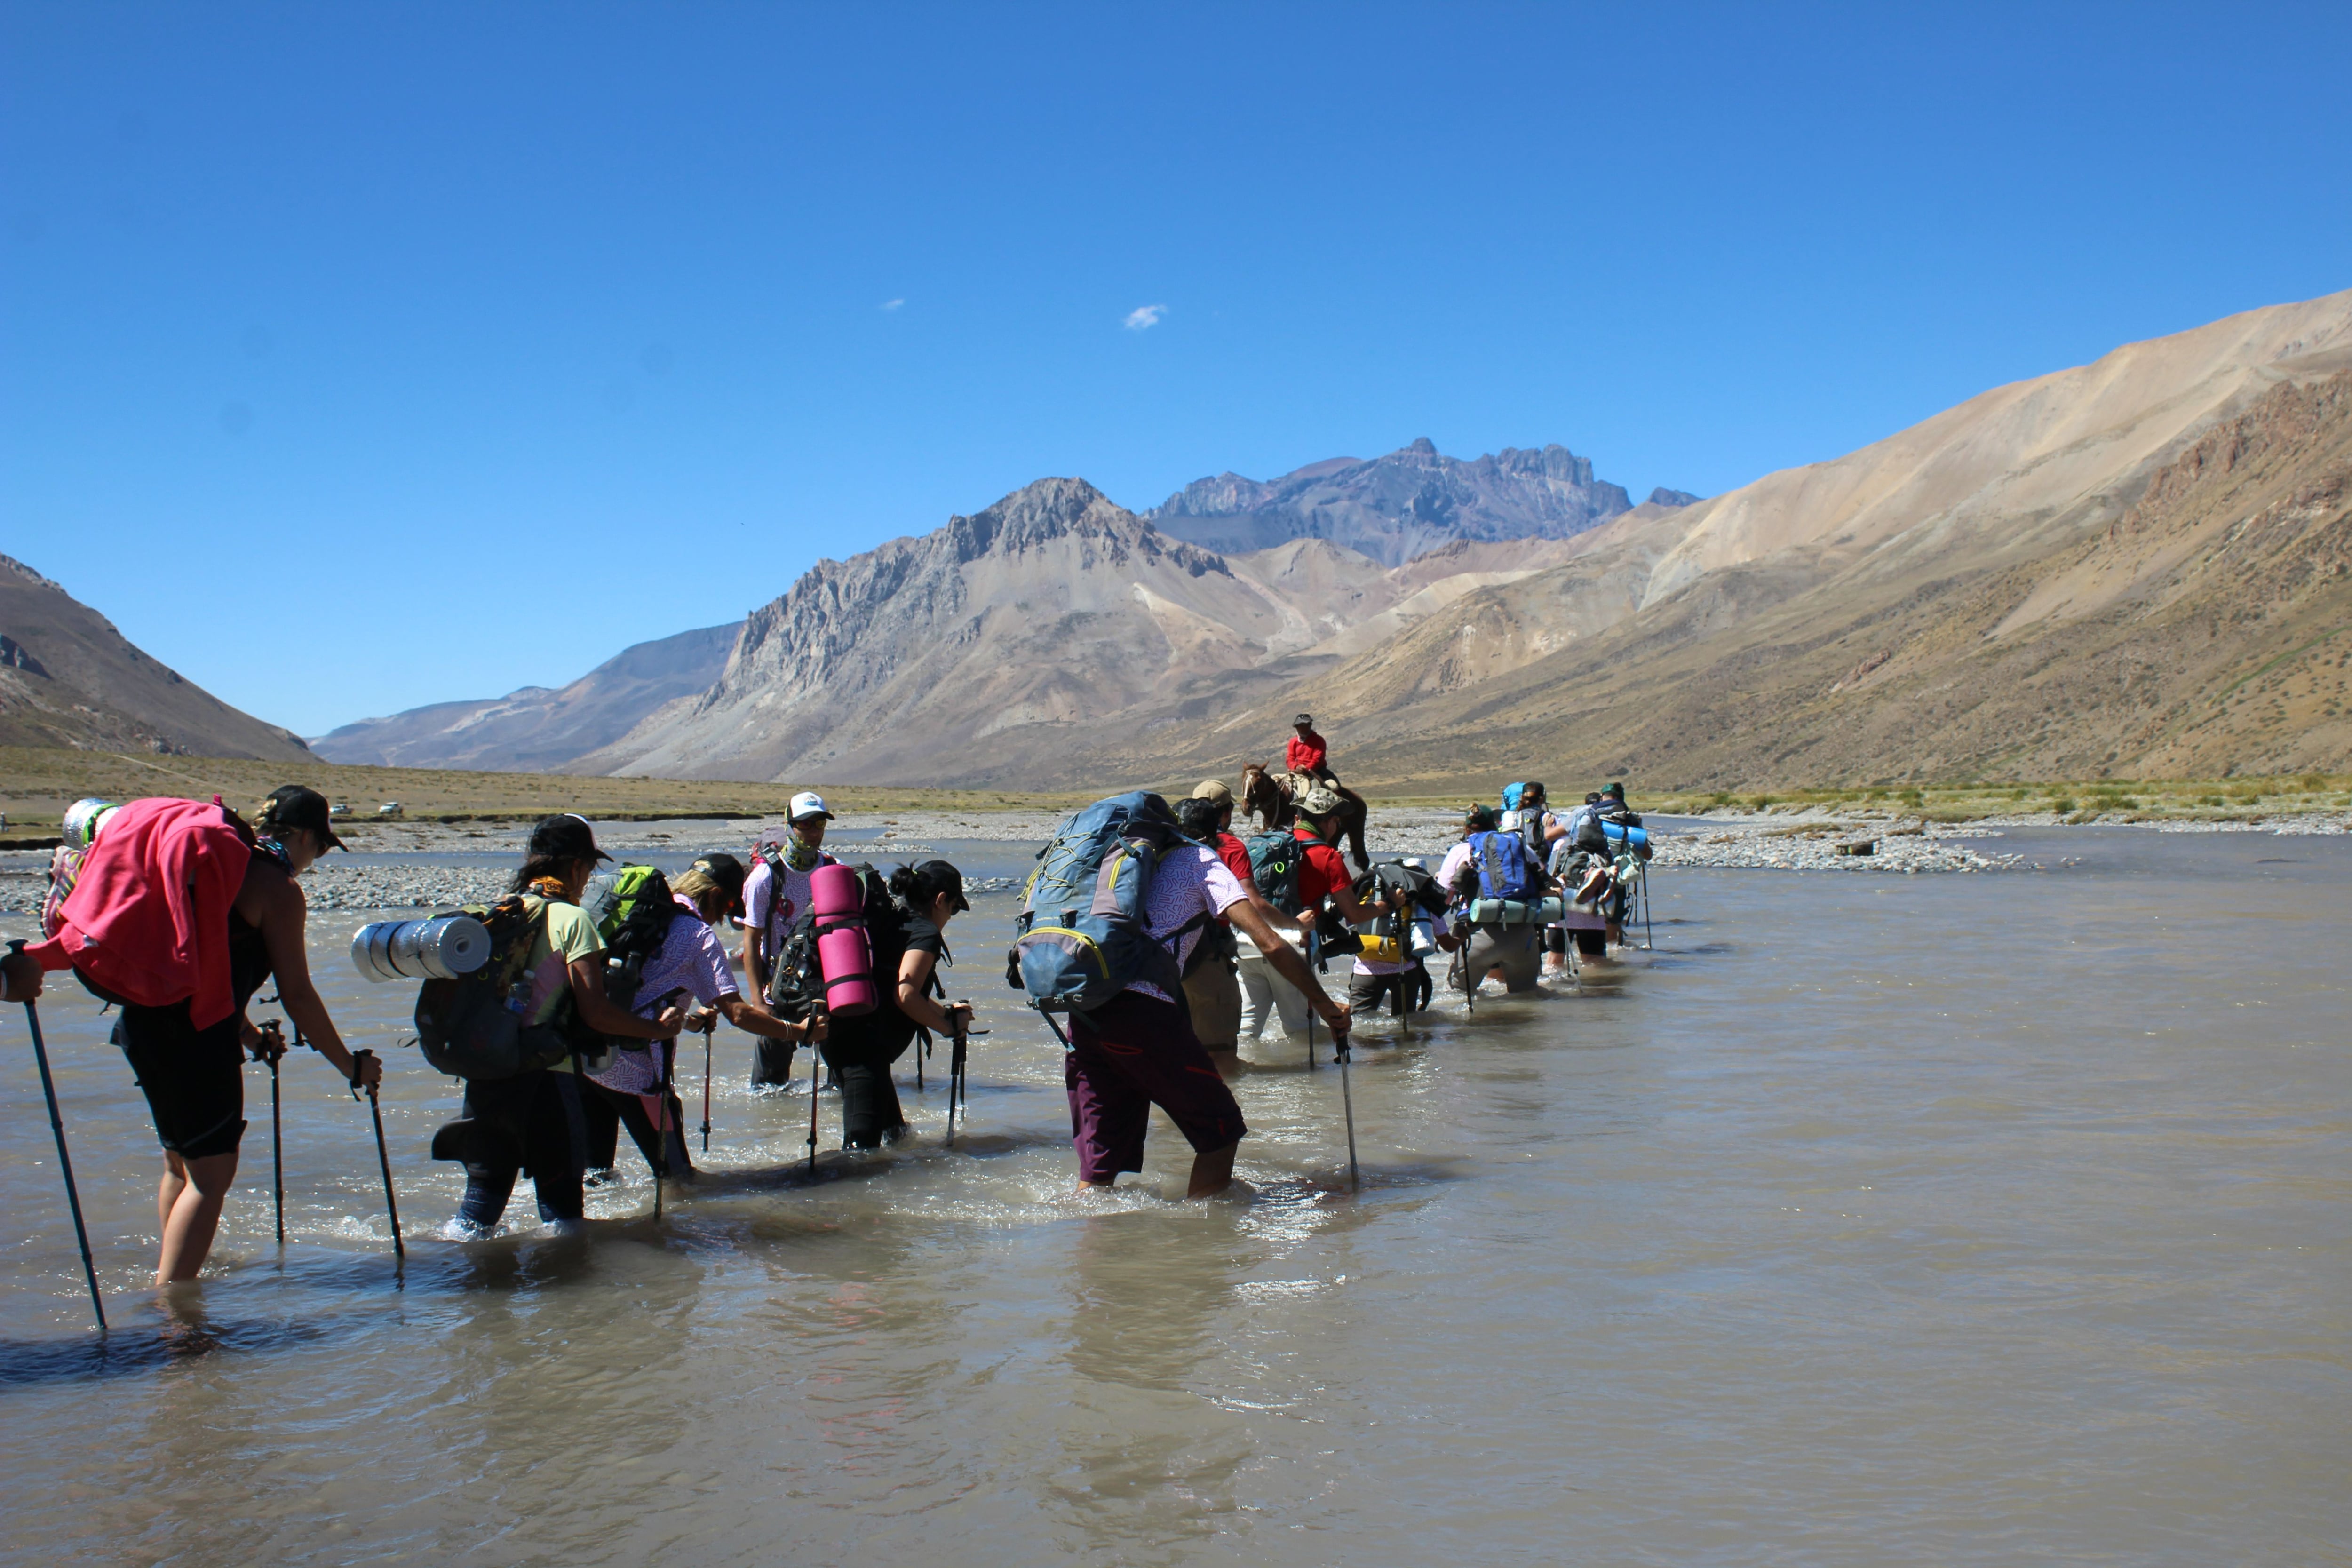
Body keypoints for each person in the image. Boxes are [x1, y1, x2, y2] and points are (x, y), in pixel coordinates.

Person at [115, 788, 383, 1285]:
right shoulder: (276, 889)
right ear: (306, 836)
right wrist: (351, 1066)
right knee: (212, 1178)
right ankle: (176, 1318)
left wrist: (248, 1033)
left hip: (141, 1026)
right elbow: (298, 995)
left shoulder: (216, 867)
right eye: (321, 848)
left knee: (181, 1164)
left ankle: (178, 1268)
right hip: (195, 1043)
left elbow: (207, 970)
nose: (316, 859)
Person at [1065, 819, 1350, 1198]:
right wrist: (1326, 1005)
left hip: (1086, 1010)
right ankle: (1206, 1239)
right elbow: (1268, 941)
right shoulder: (1202, 861)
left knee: (1101, 1164)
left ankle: (1089, 1246)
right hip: (1142, 1013)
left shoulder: (1120, 861)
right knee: (1222, 1132)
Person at [439, 814, 685, 1235]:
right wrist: (660, 1030)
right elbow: (597, 1012)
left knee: (477, 1214)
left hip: (488, 1080)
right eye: (589, 869)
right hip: (548, 1084)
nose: (588, 880)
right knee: (564, 1218)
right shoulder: (572, 921)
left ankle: (454, 1289)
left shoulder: (501, 912)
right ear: (575, 866)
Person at [581, 854, 825, 1186]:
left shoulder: (647, 913)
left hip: (590, 1057)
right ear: (714, 897)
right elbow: (737, 1013)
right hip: (637, 1072)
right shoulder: (698, 935)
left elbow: (643, 992)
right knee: (680, 1180)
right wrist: (797, 1031)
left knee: (595, 1176)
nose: (723, 918)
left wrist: (692, 1020)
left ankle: (595, 1236)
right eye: (726, 908)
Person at [818, 860, 972, 1150]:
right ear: (941, 900)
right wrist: (947, 1030)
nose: (951, 916)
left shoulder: (890, 921)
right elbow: (906, 995)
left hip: (839, 1036)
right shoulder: (925, 933)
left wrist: (947, 1015)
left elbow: (894, 984)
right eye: (954, 908)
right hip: (864, 1052)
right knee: (859, 1157)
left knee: (897, 1137)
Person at [740, 791, 838, 1088]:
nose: (813, 831)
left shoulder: (834, 870)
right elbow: (751, 943)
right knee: (768, 1089)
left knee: (840, 1085)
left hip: (822, 991)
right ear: (790, 825)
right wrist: (759, 1003)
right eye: (805, 824)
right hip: (777, 992)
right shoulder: (765, 878)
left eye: (819, 823)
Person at [1437, 803, 1557, 996]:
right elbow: (1545, 887)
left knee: (1456, 995)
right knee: (1526, 998)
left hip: (1477, 934)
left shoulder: (1460, 851)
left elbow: (1442, 900)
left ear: (1467, 829)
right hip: (1523, 934)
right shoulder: (1519, 847)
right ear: (1495, 827)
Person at [1174, 788, 1249, 1070]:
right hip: (1206, 964)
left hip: (1158, 973)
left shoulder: (1153, 856)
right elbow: (1247, 905)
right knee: (1221, 1059)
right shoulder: (1221, 852)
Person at [1286, 713, 1337, 785]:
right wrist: (1296, 767)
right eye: (1302, 726)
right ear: (1297, 727)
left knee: (1332, 787)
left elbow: (1318, 760)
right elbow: (1290, 759)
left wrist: (1306, 769)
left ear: (1310, 726)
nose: (1304, 728)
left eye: (1307, 725)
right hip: (1296, 771)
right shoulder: (1293, 742)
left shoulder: (1319, 740)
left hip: (1317, 771)